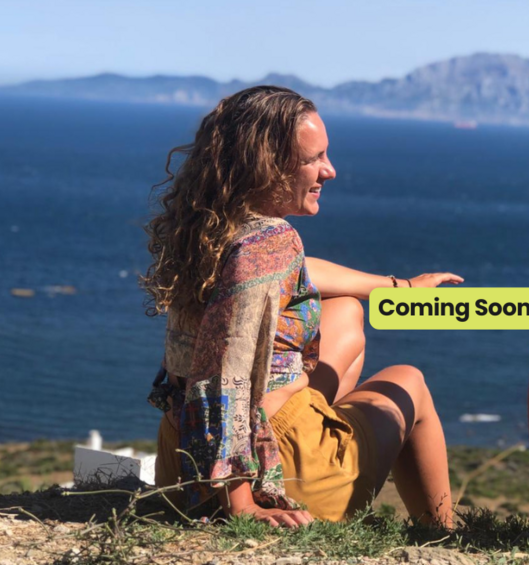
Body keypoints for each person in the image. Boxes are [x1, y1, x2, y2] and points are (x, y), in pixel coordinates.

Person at [142, 85, 460, 528]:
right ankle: (442, 533)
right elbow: (223, 375)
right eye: (314, 159)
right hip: (267, 472)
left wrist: (400, 287)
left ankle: (313, 427)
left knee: (346, 309)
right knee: (410, 381)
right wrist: (243, 505)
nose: (329, 170)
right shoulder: (270, 243)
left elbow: (301, 272)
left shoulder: (210, 229)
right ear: (266, 165)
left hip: (181, 464)